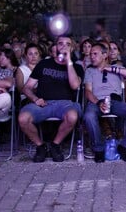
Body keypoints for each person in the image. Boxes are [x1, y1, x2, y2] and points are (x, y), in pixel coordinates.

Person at [18, 35, 82, 163]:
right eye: (60, 43)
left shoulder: (77, 67)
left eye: (68, 44)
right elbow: (27, 88)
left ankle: (55, 144)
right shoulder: (43, 64)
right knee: (23, 118)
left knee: (73, 116)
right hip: (43, 103)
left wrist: (68, 61)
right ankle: (40, 146)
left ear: (72, 48)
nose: (63, 46)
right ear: (55, 46)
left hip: (66, 104)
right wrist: (35, 99)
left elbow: (75, 86)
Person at [83, 43, 126, 162]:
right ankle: (99, 149)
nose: (92, 57)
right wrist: (98, 102)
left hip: (114, 102)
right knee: (88, 116)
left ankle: (125, 147)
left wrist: (111, 68)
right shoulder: (89, 71)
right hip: (96, 101)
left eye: (95, 54)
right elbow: (88, 92)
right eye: (91, 54)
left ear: (105, 55)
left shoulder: (116, 68)